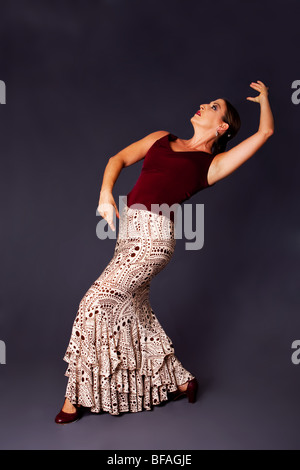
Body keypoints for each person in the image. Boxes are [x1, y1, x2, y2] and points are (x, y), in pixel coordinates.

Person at [55, 80, 274, 424]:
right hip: (128, 234)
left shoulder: (211, 164)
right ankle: (180, 380)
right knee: (135, 312)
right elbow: (119, 158)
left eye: (213, 106)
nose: (204, 104)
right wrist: (105, 194)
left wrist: (264, 102)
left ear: (222, 127)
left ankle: (75, 396)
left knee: (95, 303)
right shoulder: (161, 138)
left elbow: (264, 134)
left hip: (153, 240)